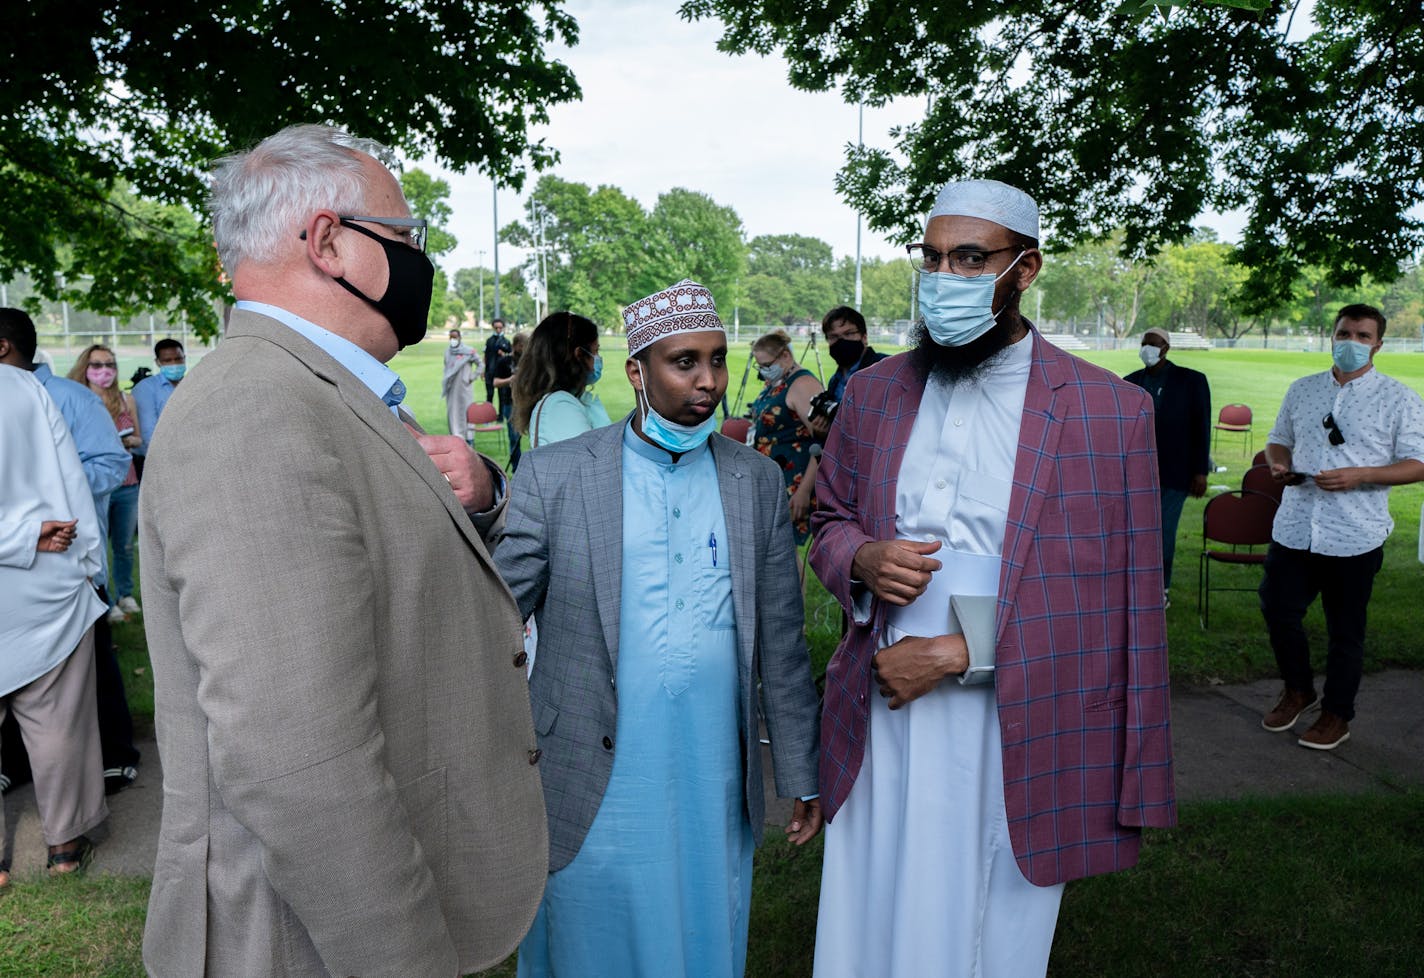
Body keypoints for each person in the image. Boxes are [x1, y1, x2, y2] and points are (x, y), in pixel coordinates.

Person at [138, 123, 546, 977]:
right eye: (406, 238)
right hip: (309, 943)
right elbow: (297, 762)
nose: (419, 262)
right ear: (328, 243)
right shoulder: (257, 413)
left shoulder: (315, 395)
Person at [810, 179, 1176, 978]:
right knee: (867, 913)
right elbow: (829, 520)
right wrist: (863, 561)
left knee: (983, 926)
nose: (946, 277)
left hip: (1017, 712)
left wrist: (955, 653)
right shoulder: (872, 394)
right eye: (933, 258)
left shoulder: (1106, 411)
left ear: (1027, 269)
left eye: (972, 259)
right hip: (882, 697)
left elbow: (1117, 604)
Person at [496, 278, 822, 978]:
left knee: (700, 928)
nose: (707, 382)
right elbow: (496, 614)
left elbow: (783, 645)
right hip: (591, 760)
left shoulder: (754, 482)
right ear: (637, 371)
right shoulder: (559, 477)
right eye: (684, 363)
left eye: (716, 360)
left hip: (709, 766)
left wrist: (798, 770)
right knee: (589, 933)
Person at [1258, 303, 1424, 750]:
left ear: (1378, 344)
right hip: (1295, 525)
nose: (1352, 342)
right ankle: (1298, 689)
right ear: (1331, 336)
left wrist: (1361, 474)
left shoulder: (1399, 398)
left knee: (1345, 631)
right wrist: (1279, 464)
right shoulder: (1303, 389)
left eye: (1363, 336)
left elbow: (1418, 463)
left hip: (1355, 533)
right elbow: (1278, 440)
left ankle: (1337, 714)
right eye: (1344, 333)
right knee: (1277, 610)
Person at [0, 313, 138, 798]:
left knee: (88, 671)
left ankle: (116, 755)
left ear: (3, 348)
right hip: (13, 562)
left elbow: (111, 462)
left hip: (67, 555)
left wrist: (61, 492)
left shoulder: (70, 397)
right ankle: (17, 765)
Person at [0, 364, 110, 887]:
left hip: (41, 575)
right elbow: (71, 481)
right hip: (45, 586)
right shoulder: (22, 385)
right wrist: (88, 564)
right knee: (58, 722)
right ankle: (65, 847)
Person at [1124, 326, 1212, 601]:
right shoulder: (1130, 381)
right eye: (1144, 342)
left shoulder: (1191, 381)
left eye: (1154, 343)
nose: (1148, 347)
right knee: (1135, 531)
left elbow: (1202, 427)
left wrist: (1200, 470)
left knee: (1163, 530)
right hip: (1136, 472)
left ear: (1166, 348)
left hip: (1175, 472)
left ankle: (1160, 589)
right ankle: (1134, 585)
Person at [68, 344, 145, 622]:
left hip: (126, 484)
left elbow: (139, 438)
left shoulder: (126, 400)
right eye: (97, 365)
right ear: (84, 369)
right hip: (96, 487)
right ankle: (105, 599)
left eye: (110, 365)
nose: (105, 371)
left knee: (124, 545)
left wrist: (123, 441)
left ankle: (126, 593)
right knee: (95, 544)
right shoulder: (79, 401)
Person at [750, 328, 825, 544]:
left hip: (795, 480)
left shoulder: (802, 385)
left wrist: (804, 491)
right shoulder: (780, 380)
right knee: (775, 549)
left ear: (785, 356)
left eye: (766, 365)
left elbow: (822, 443)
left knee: (786, 551)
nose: (764, 371)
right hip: (775, 478)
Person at [511, 311, 612, 449]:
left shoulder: (563, 402)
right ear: (579, 354)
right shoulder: (560, 407)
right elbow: (593, 464)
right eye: (595, 351)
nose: (598, 358)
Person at [820, 304, 887, 411]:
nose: (841, 341)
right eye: (833, 336)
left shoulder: (885, 369)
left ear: (864, 337)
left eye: (849, 334)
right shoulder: (835, 381)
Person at [132, 338, 187, 462]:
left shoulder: (193, 384)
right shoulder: (145, 389)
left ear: (184, 357)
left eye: (178, 359)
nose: (174, 364)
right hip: (155, 459)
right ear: (158, 362)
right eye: (167, 360)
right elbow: (148, 433)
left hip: (188, 454)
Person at [492, 330, 527, 469]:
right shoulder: (504, 362)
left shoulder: (528, 362)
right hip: (510, 404)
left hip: (527, 403)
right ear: (517, 345)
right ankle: (517, 468)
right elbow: (495, 382)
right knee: (514, 438)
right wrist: (510, 380)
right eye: (524, 346)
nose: (526, 349)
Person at [442, 326, 479, 438]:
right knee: (452, 411)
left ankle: (469, 437)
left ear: (460, 337)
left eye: (455, 337)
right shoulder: (448, 352)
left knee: (466, 410)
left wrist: (472, 377)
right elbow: (447, 367)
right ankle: (455, 435)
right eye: (451, 337)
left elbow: (480, 364)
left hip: (464, 386)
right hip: (451, 387)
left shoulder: (468, 351)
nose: (453, 339)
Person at [484, 316, 511, 402]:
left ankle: (501, 415)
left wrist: (504, 354)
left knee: (502, 397)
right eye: (496, 328)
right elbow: (486, 355)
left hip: (502, 373)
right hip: (490, 371)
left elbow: (511, 356)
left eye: (500, 327)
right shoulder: (489, 341)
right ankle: (488, 414)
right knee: (489, 395)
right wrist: (483, 370)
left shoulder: (506, 342)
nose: (498, 330)